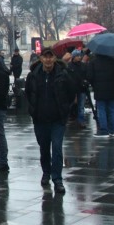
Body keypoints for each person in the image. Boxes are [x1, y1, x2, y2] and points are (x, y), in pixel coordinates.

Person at [24, 47, 77, 193]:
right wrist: (33, 110)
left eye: (50, 57)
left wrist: (65, 109)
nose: (48, 60)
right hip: (40, 119)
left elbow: (71, 93)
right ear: (41, 59)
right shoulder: (33, 75)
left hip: (57, 119)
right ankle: (46, 173)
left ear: (54, 59)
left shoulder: (63, 74)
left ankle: (57, 178)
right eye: (45, 57)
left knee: (57, 148)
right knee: (44, 148)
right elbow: (28, 93)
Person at [85, 52, 114, 137]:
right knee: (112, 110)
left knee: (101, 110)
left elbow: (89, 76)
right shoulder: (113, 62)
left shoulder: (93, 62)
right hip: (112, 89)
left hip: (99, 89)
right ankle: (113, 130)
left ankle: (104, 130)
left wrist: (94, 84)